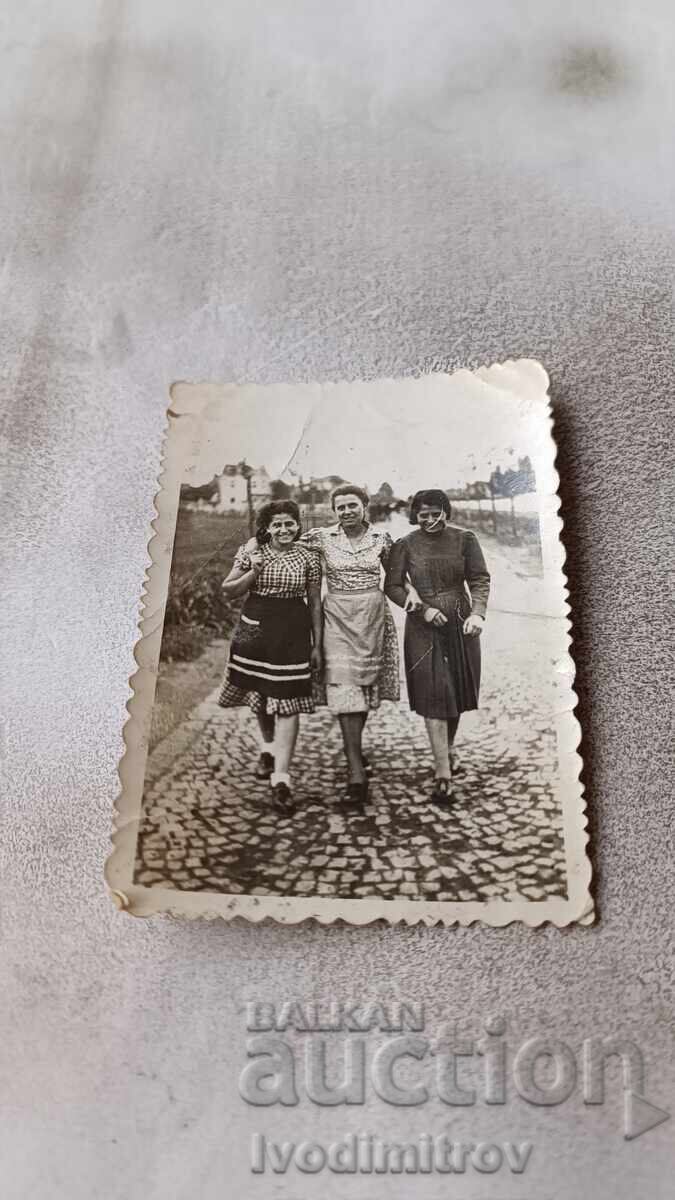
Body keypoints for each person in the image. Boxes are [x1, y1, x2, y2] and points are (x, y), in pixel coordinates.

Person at [385, 489, 490, 805]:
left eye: (436, 513)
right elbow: (391, 585)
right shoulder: (405, 544)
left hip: (460, 621)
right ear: (415, 516)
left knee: (455, 691)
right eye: (423, 514)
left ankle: (448, 749)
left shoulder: (465, 540)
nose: (430, 519)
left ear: (447, 512)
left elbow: (480, 579)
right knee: (436, 693)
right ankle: (442, 774)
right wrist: (420, 608)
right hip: (423, 626)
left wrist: (478, 613)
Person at [218, 500, 322, 813]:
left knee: (288, 698)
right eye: (276, 524)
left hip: (292, 628)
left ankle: (281, 778)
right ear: (266, 528)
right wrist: (253, 571)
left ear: (297, 524)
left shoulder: (309, 556)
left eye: (289, 523)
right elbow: (228, 590)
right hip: (254, 626)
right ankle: (268, 747)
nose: (284, 529)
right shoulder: (251, 550)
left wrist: (318, 644)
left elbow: (315, 603)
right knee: (260, 694)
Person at [300, 485, 400, 804]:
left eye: (352, 505)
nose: (346, 512)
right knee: (344, 687)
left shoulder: (381, 540)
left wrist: (422, 601)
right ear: (334, 511)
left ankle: (354, 750)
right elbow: (283, 541)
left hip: (372, 617)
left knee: (363, 687)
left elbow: (398, 578)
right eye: (340, 507)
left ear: (365, 506)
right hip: (337, 618)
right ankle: (355, 769)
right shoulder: (321, 538)